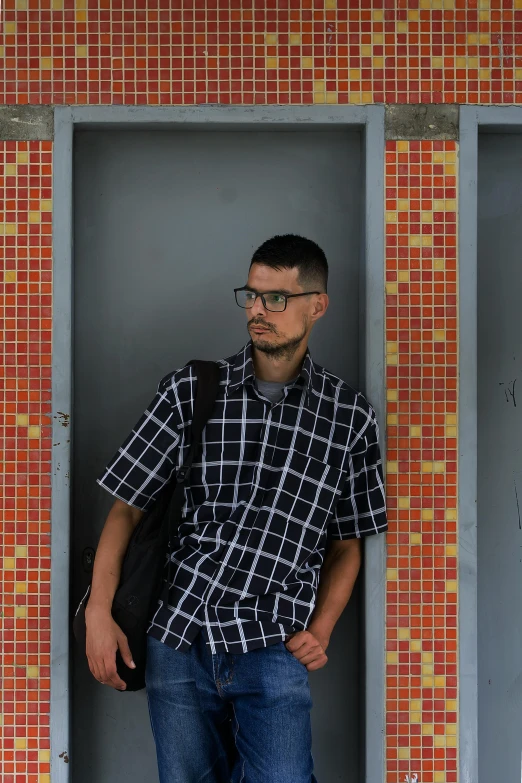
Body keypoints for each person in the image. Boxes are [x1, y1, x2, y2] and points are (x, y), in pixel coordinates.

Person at [85, 233, 388, 783]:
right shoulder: (191, 391)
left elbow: (347, 544)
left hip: (272, 645)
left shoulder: (349, 419)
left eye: (275, 298)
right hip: (178, 636)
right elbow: (126, 510)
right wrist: (98, 614)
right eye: (251, 295)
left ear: (316, 305)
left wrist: (321, 629)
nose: (257, 310)